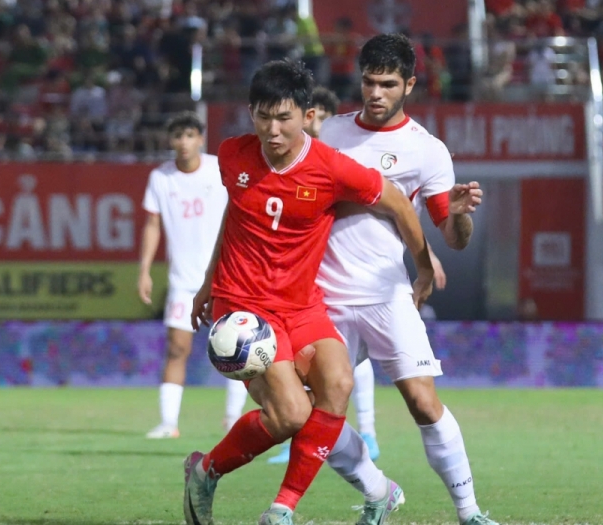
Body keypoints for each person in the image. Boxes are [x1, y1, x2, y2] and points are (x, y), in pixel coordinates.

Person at [182, 60, 435, 525]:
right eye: (262, 116)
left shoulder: (331, 168)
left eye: (283, 117)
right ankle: (205, 471)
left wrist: (423, 265)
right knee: (291, 414)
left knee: (338, 383)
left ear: (307, 115)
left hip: (302, 306)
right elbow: (236, 217)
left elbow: (398, 202)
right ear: (250, 113)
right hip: (244, 309)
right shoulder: (234, 155)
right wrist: (207, 282)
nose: (272, 130)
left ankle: (284, 507)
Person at [317, 34, 497, 525]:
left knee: (422, 400)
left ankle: (469, 511)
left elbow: (454, 238)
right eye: (369, 82)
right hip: (325, 298)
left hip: (386, 295)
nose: (375, 93)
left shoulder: (427, 151)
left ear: (410, 85)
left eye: (388, 84)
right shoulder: (328, 134)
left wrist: (459, 215)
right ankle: (379, 489)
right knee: (310, 416)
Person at [270, 86, 383, 465]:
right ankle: (306, 429)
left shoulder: (337, 162)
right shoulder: (286, 161)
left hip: (341, 275)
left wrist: (426, 253)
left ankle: (366, 429)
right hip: (304, 280)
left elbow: (383, 208)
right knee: (318, 365)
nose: (314, 123)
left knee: (346, 363)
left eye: (319, 117)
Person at [138, 113, 247, 439]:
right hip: (183, 282)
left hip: (224, 276)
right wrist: (144, 270)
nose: (183, 142)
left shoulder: (218, 169)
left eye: (189, 135)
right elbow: (153, 224)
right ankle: (168, 423)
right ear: (170, 141)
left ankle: (232, 419)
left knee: (236, 349)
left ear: (200, 138)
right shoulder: (161, 177)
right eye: (177, 136)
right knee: (177, 348)